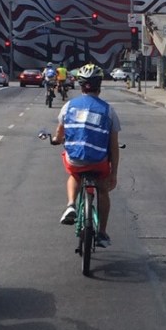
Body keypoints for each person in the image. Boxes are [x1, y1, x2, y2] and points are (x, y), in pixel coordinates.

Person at [48, 62, 119, 247]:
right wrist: (114, 173)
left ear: (80, 85)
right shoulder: (108, 110)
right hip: (98, 162)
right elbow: (113, 146)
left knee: (74, 175)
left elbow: (59, 134)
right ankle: (102, 233)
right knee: (102, 190)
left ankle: (71, 204)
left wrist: (56, 139)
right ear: (99, 85)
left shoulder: (69, 106)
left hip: (76, 161)